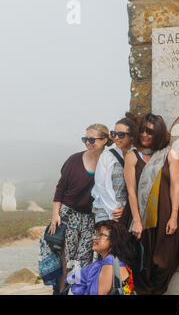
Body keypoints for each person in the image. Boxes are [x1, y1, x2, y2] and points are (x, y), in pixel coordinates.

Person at [120, 113, 179, 295]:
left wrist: (174, 216)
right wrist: (137, 220)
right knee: (139, 263)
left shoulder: (169, 154)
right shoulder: (132, 157)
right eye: (142, 130)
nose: (145, 135)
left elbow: (175, 186)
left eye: (150, 132)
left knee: (163, 261)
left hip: (164, 215)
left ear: (159, 134)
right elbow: (131, 191)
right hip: (138, 216)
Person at [49, 123, 113, 294]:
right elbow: (60, 188)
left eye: (92, 139)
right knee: (66, 261)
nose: (87, 143)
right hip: (68, 215)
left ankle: (78, 292)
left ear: (105, 140)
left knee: (83, 261)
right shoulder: (74, 160)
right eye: (85, 139)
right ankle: (61, 292)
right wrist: (55, 214)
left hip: (90, 218)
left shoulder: (109, 161)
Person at [66, 220, 137, 295]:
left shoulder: (109, 263)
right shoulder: (117, 259)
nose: (94, 237)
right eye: (96, 234)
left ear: (113, 240)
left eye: (101, 235)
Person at [92, 113, 138, 223]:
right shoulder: (107, 156)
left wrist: (126, 210)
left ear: (132, 136)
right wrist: (114, 210)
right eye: (114, 134)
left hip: (129, 212)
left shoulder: (138, 156)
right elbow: (101, 186)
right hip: (106, 211)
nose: (116, 137)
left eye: (121, 134)